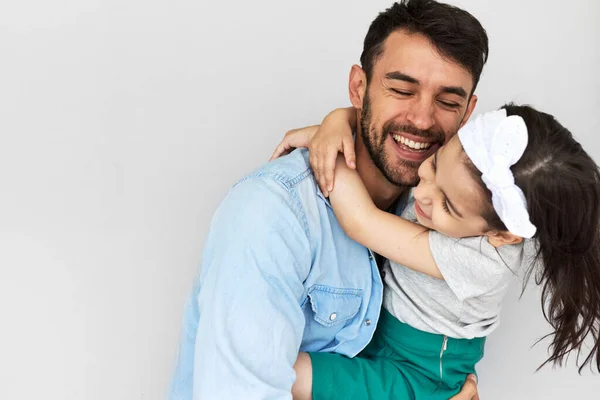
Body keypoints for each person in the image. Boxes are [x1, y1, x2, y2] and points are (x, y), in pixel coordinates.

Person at [169, 1, 488, 398]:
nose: (423, 119)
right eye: (402, 90)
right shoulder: (269, 214)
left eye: (447, 102)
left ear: (468, 113)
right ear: (359, 88)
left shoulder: (449, 215)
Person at [273, 105, 600, 399]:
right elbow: (377, 119)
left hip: (418, 376)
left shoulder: (485, 263)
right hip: (376, 329)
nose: (423, 192)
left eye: (447, 205)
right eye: (434, 164)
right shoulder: (465, 170)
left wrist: (325, 144)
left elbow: (361, 222)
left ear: (501, 235)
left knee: (284, 370)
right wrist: (337, 120)